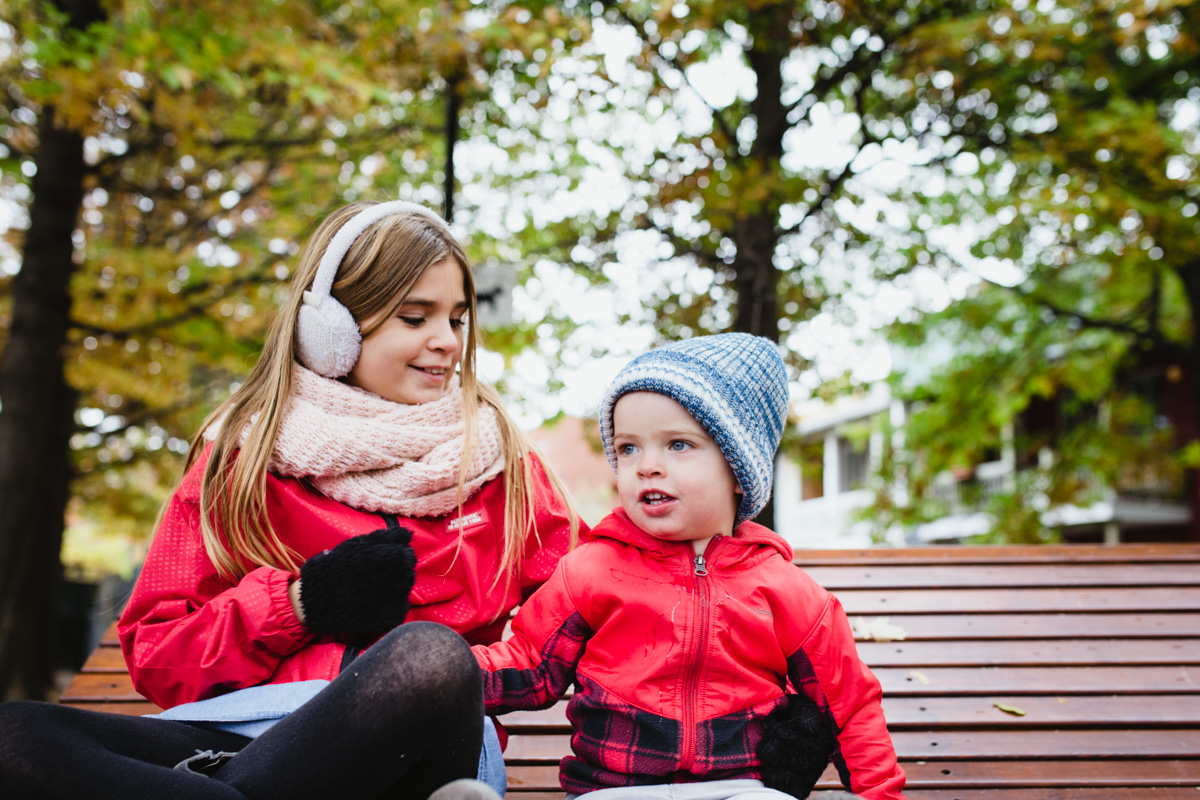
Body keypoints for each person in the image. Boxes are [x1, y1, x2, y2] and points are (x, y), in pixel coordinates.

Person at [0, 199, 583, 800]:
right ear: (330, 328)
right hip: (254, 733)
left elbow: (602, 594)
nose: (446, 342)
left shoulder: (499, 465)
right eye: (414, 318)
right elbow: (158, 654)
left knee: (432, 656)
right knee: (15, 734)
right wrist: (299, 605)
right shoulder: (244, 459)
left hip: (416, 748)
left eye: (457, 319)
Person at [471, 334, 906, 800]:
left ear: (739, 470)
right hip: (613, 788)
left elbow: (848, 704)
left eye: (677, 445)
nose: (646, 466)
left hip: (739, 787)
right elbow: (532, 666)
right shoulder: (591, 570)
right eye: (629, 448)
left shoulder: (785, 589)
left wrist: (879, 794)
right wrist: (445, 672)